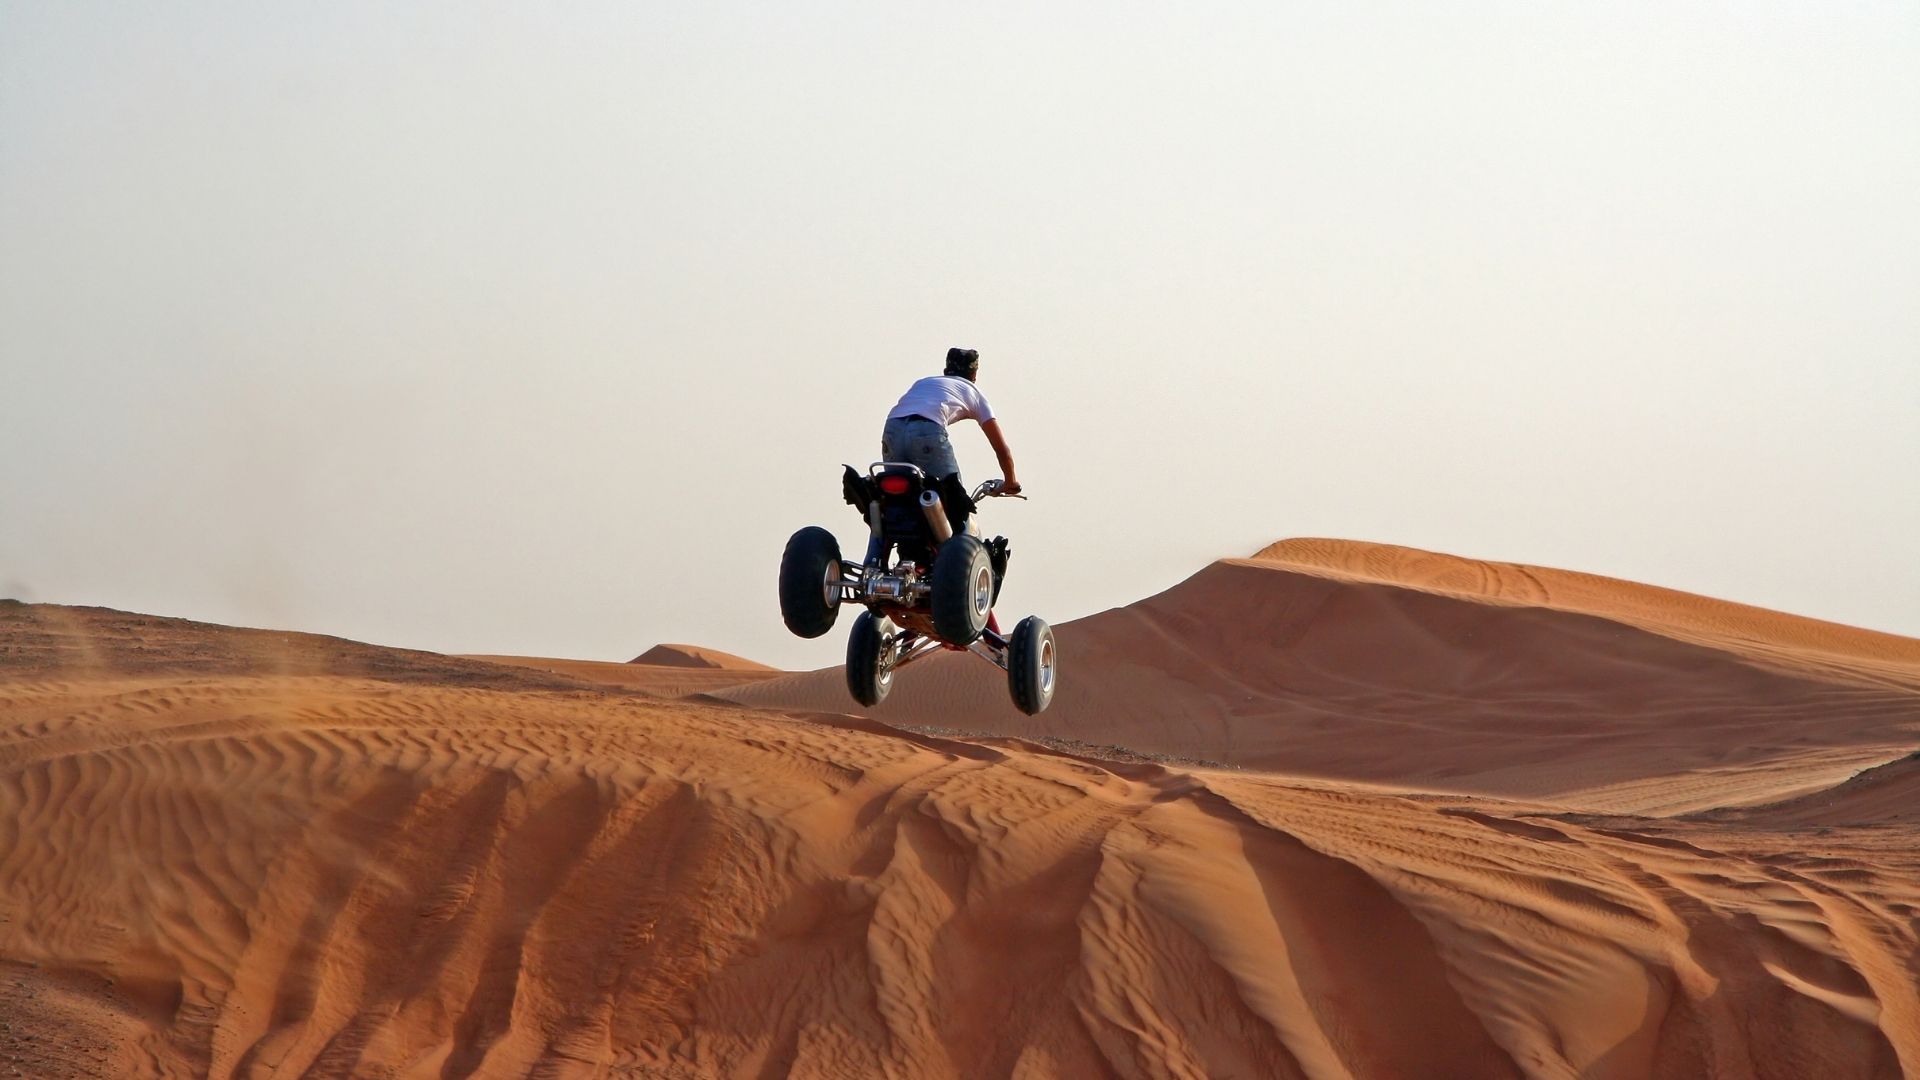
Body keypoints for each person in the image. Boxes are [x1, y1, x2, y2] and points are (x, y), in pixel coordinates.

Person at [880, 347, 1021, 495]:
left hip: (893, 426)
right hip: (926, 430)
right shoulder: (974, 393)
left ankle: (873, 494)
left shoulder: (923, 382)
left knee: (897, 496)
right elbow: (1001, 449)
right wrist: (1010, 480)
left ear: (946, 369)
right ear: (974, 374)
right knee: (955, 498)